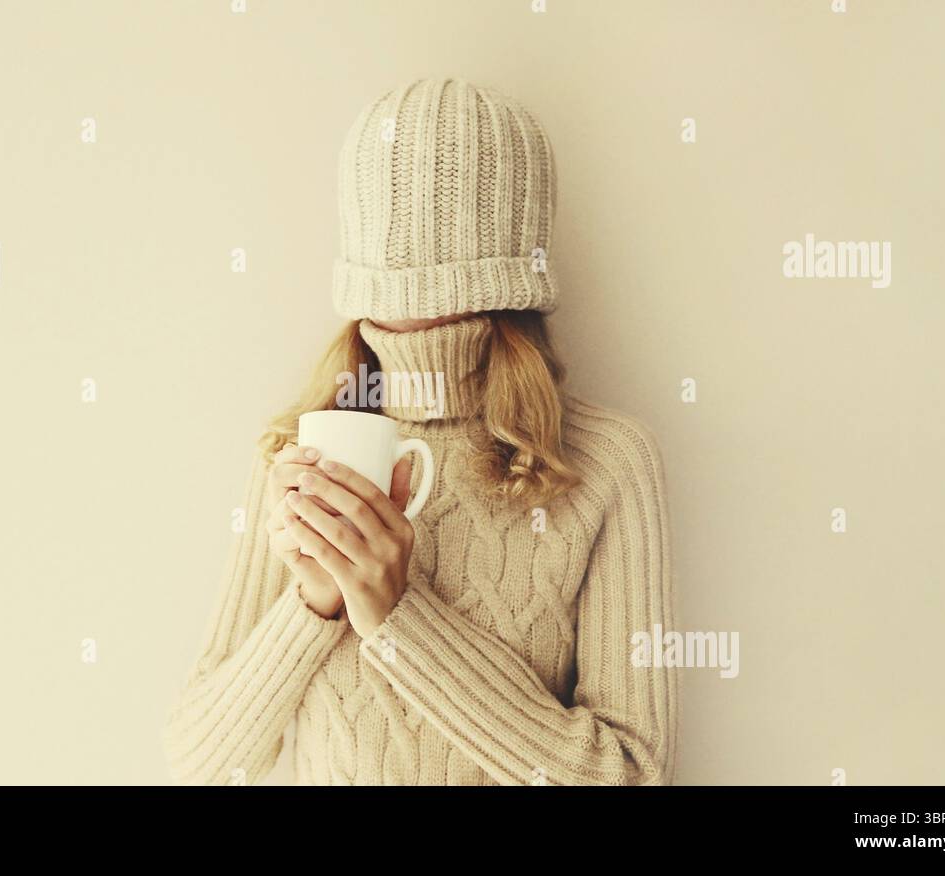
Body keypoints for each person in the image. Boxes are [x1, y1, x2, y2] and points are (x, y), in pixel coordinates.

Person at [165, 78, 677, 785]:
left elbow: (629, 775)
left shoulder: (604, 463)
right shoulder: (299, 457)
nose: (412, 293)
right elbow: (198, 765)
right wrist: (313, 605)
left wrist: (398, 616)